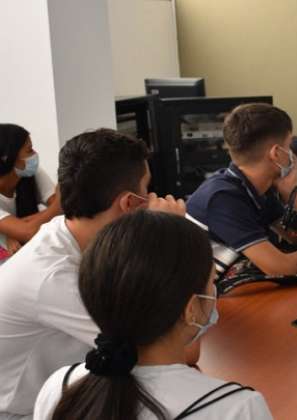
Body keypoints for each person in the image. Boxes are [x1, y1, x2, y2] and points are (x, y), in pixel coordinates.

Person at [0, 129, 185, 420]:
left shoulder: (80, 239)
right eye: (146, 190)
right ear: (129, 203)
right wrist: (174, 239)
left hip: (68, 393)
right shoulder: (52, 275)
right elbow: (167, 353)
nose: (152, 198)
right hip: (26, 413)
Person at [33, 211, 272, 420]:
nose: (214, 292)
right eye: (211, 282)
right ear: (191, 310)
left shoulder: (59, 387)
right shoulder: (236, 408)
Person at [187, 103, 297, 278]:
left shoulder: (257, 187)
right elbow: (279, 268)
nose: (292, 154)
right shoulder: (222, 197)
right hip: (209, 297)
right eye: (289, 145)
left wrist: (290, 192)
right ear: (276, 153)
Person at [0, 124, 62, 262]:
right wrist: (56, 207)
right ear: (6, 157)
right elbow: (27, 231)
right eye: (29, 150)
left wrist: (10, 229)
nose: (34, 155)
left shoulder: (31, 173)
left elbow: (65, 207)